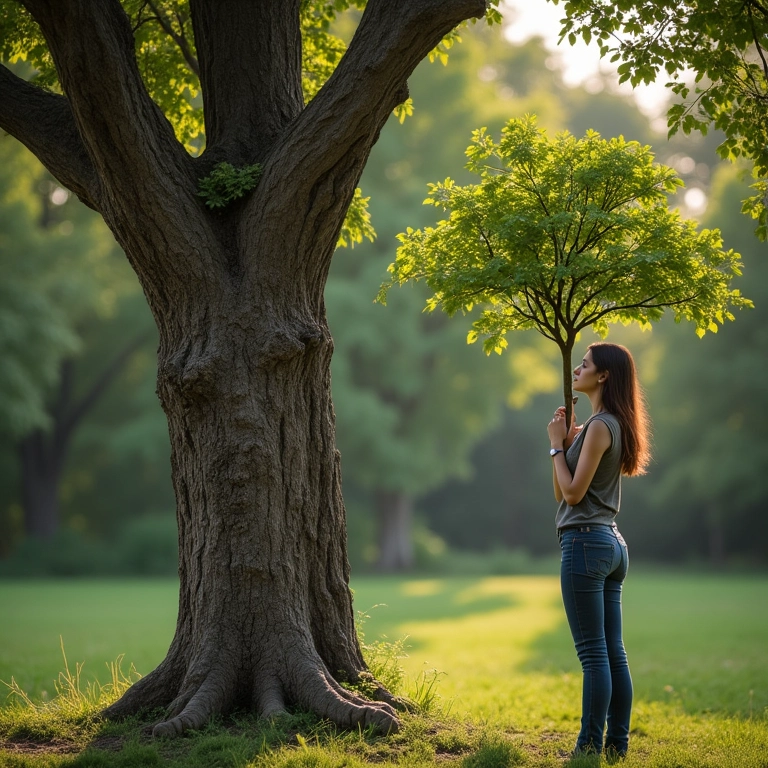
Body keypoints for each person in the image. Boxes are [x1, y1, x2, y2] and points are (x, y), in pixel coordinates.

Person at [547, 342, 650, 760]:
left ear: (603, 375)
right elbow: (562, 488)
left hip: (586, 544)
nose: (577, 370)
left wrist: (557, 446)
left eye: (584, 365)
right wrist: (565, 443)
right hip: (610, 544)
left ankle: (589, 746)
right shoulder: (606, 424)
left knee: (595, 656)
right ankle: (617, 746)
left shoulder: (601, 426)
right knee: (612, 652)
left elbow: (571, 496)